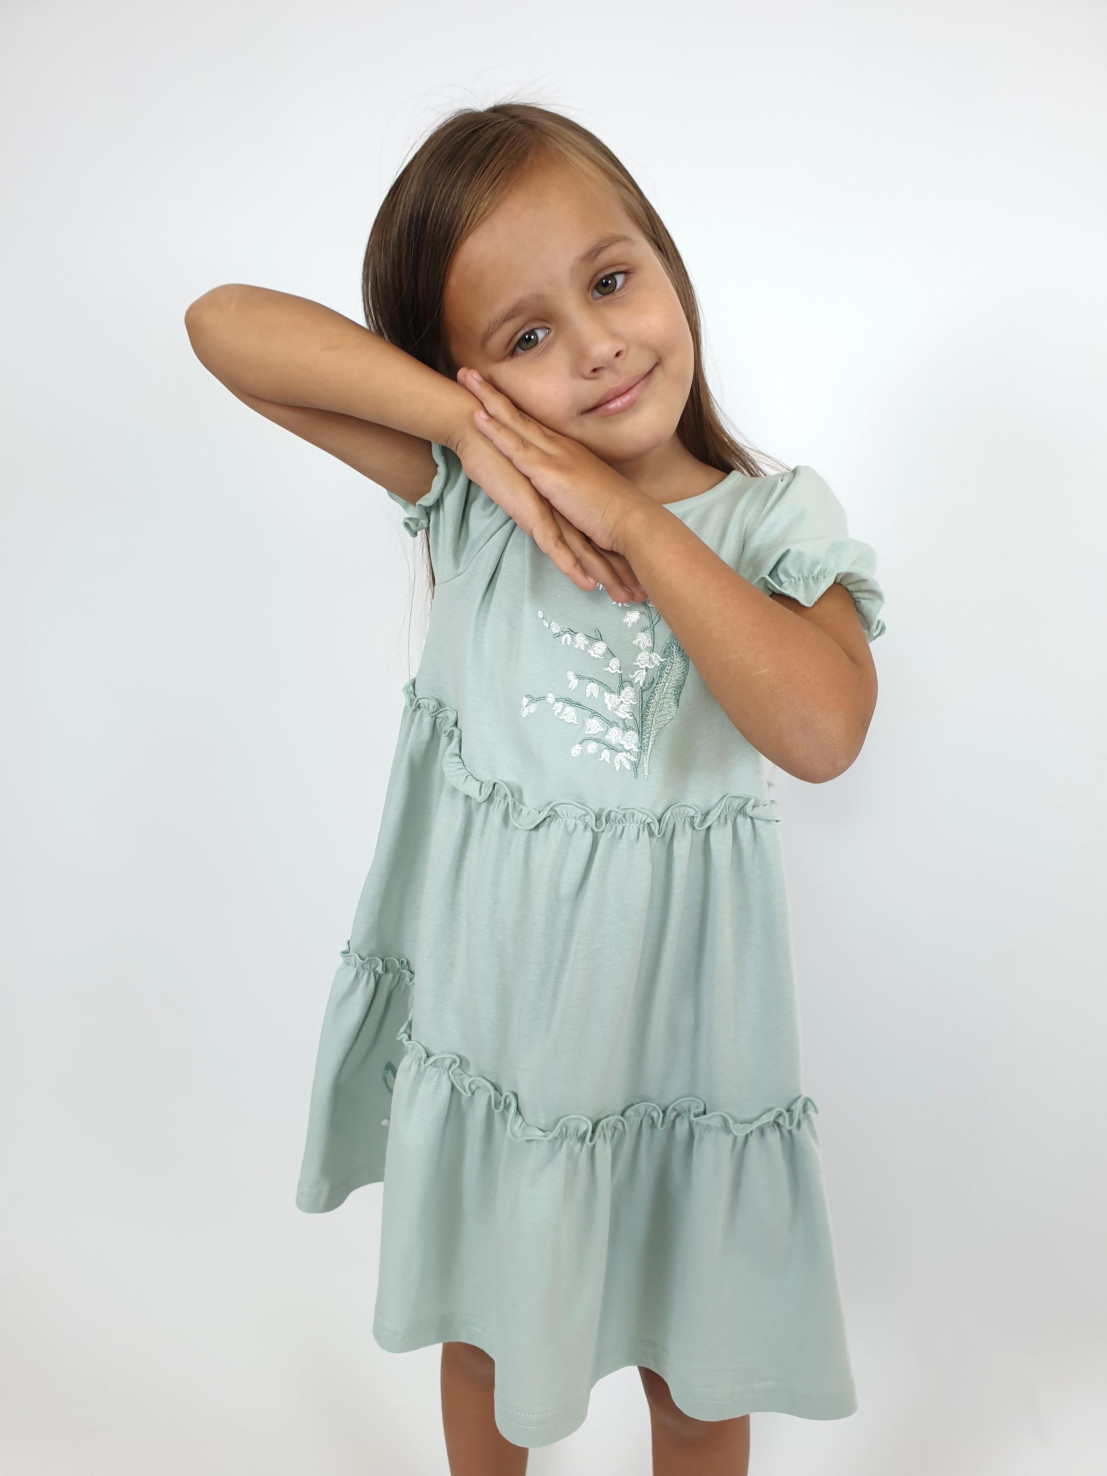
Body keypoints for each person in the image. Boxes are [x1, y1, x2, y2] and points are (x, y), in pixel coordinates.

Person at [184, 100, 887, 1476]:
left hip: (683, 1061)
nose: (597, 345)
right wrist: (473, 430)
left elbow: (821, 732)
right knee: (491, 1343)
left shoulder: (770, 522)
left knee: (698, 1384)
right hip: (503, 1047)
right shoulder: (470, 500)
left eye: (611, 280)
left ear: (666, 260)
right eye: (525, 337)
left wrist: (630, 516)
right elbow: (224, 327)